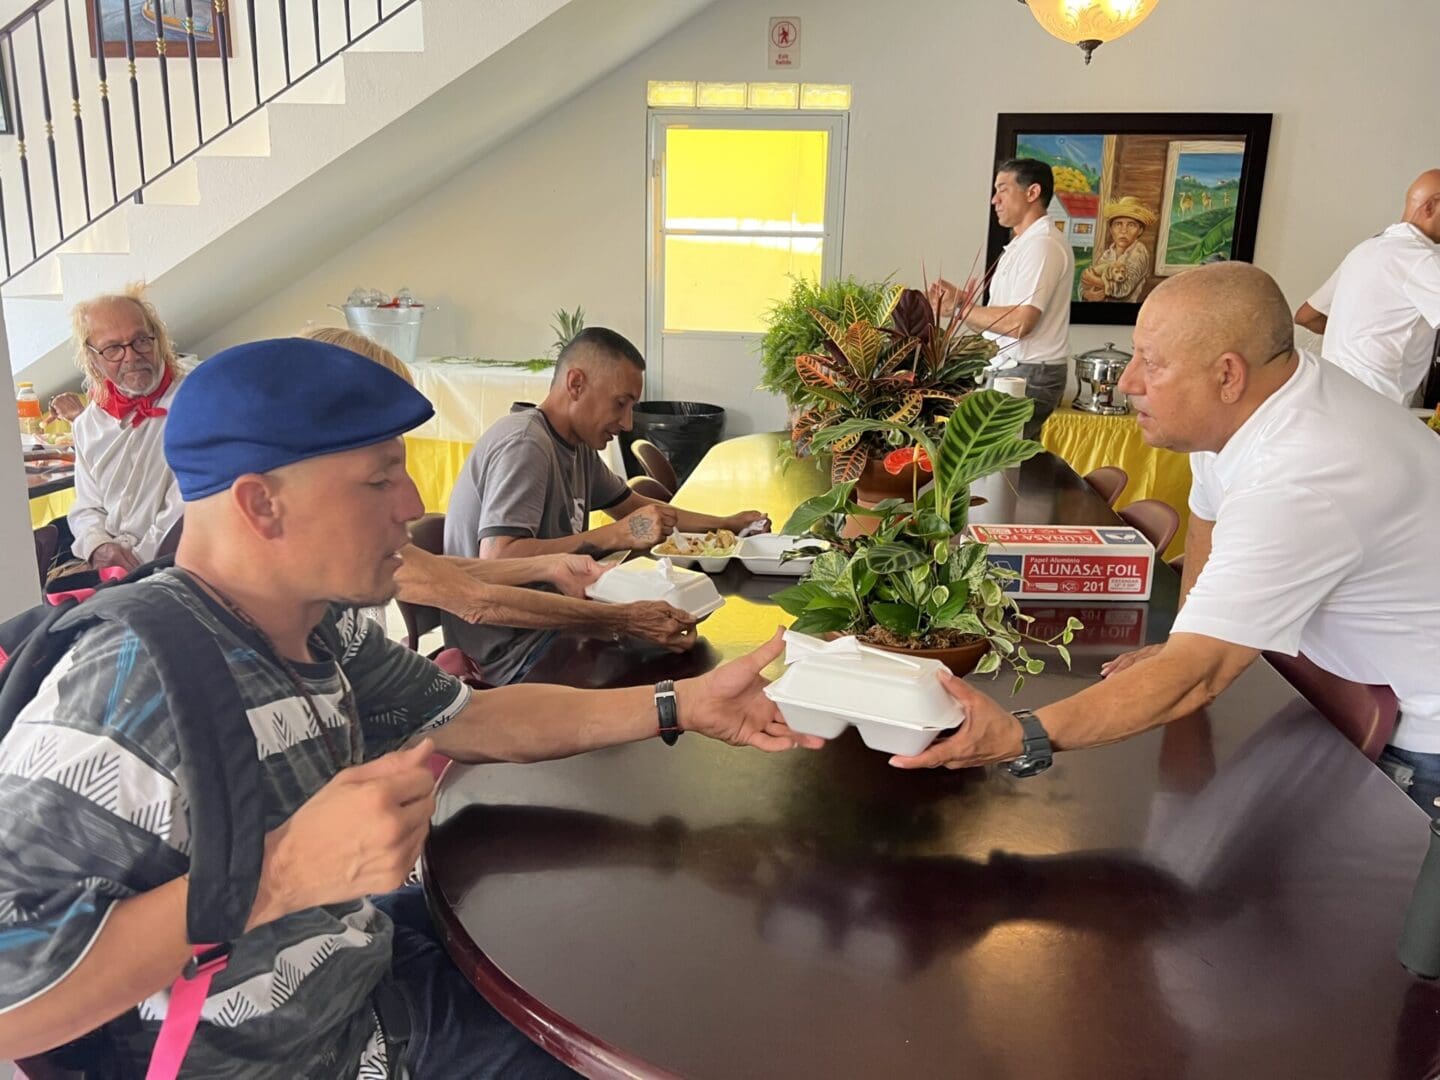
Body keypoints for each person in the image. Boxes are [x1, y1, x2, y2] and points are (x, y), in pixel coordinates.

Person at [0, 338, 818, 1078]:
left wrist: (683, 704)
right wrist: (279, 875)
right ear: (260, 505)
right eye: (380, 477)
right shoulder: (131, 686)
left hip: (364, 978)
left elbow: (476, 719)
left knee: (648, 961)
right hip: (313, 1058)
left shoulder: (321, 630)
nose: (412, 503)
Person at [889, 263, 1440, 818]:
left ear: (1228, 375)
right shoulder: (1249, 406)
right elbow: (1206, 517)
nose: (1128, 381)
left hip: (1422, 726)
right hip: (1336, 681)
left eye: (1151, 363)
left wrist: (1017, 733)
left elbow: (1199, 676)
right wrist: (1183, 634)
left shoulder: (1303, 475)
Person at [300, 326, 696, 654]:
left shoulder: (348, 598)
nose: (413, 504)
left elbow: (449, 573)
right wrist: (621, 616)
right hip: (513, 648)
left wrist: (550, 566)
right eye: (378, 474)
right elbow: (476, 598)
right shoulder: (527, 443)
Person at [445, 327, 768, 684]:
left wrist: (727, 524)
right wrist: (615, 536)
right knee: (675, 677)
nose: (627, 423)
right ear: (576, 384)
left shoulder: (576, 446)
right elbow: (498, 557)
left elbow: (635, 508)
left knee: (687, 641)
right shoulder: (527, 445)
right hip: (511, 654)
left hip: (556, 626)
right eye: (621, 403)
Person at [929, 158, 1075, 437]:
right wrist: (959, 305)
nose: (994, 200)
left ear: (1032, 193)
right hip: (1014, 368)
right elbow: (997, 327)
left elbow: (1019, 324)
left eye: (1002, 189)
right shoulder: (1023, 244)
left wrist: (964, 306)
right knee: (992, 465)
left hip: (1029, 373)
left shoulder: (1042, 245)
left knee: (985, 462)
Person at [63, 287, 186, 574]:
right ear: (92, 358)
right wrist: (98, 547)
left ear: (158, 339)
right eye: (113, 349)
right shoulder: (87, 425)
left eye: (141, 341)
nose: (131, 356)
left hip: (178, 565)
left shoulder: (195, 399)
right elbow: (86, 507)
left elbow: (185, 509)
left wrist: (134, 567)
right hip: (114, 572)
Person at [1294, 169, 1440, 403]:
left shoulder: (1364, 251)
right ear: (1431, 207)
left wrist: (1354, 332)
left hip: (1331, 395)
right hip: (1378, 404)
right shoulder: (1421, 260)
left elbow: (1306, 316)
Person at [1079, 196, 1157, 303]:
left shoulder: (1139, 253)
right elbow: (1086, 281)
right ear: (1111, 229)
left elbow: (1124, 288)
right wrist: (1087, 294)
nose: (1123, 230)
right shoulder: (1107, 254)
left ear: (1140, 230)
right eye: (1118, 224)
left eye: (1131, 225)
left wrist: (1095, 281)